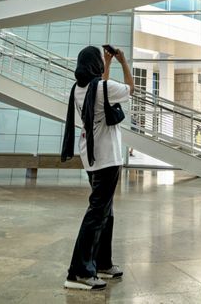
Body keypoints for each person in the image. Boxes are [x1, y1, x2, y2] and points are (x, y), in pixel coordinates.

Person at [61, 45, 134, 291]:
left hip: (91, 158)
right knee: (97, 213)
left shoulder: (79, 89)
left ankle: (102, 262)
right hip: (107, 159)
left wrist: (107, 63)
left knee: (105, 212)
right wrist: (122, 61)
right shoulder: (103, 88)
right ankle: (79, 272)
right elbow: (130, 90)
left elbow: (99, 88)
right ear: (96, 65)